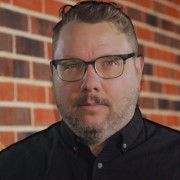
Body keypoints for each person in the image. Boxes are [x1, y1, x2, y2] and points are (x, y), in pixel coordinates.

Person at [0, 1, 180, 179]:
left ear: (138, 70)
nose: (90, 83)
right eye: (71, 65)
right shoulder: (10, 167)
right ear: (52, 75)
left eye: (110, 62)